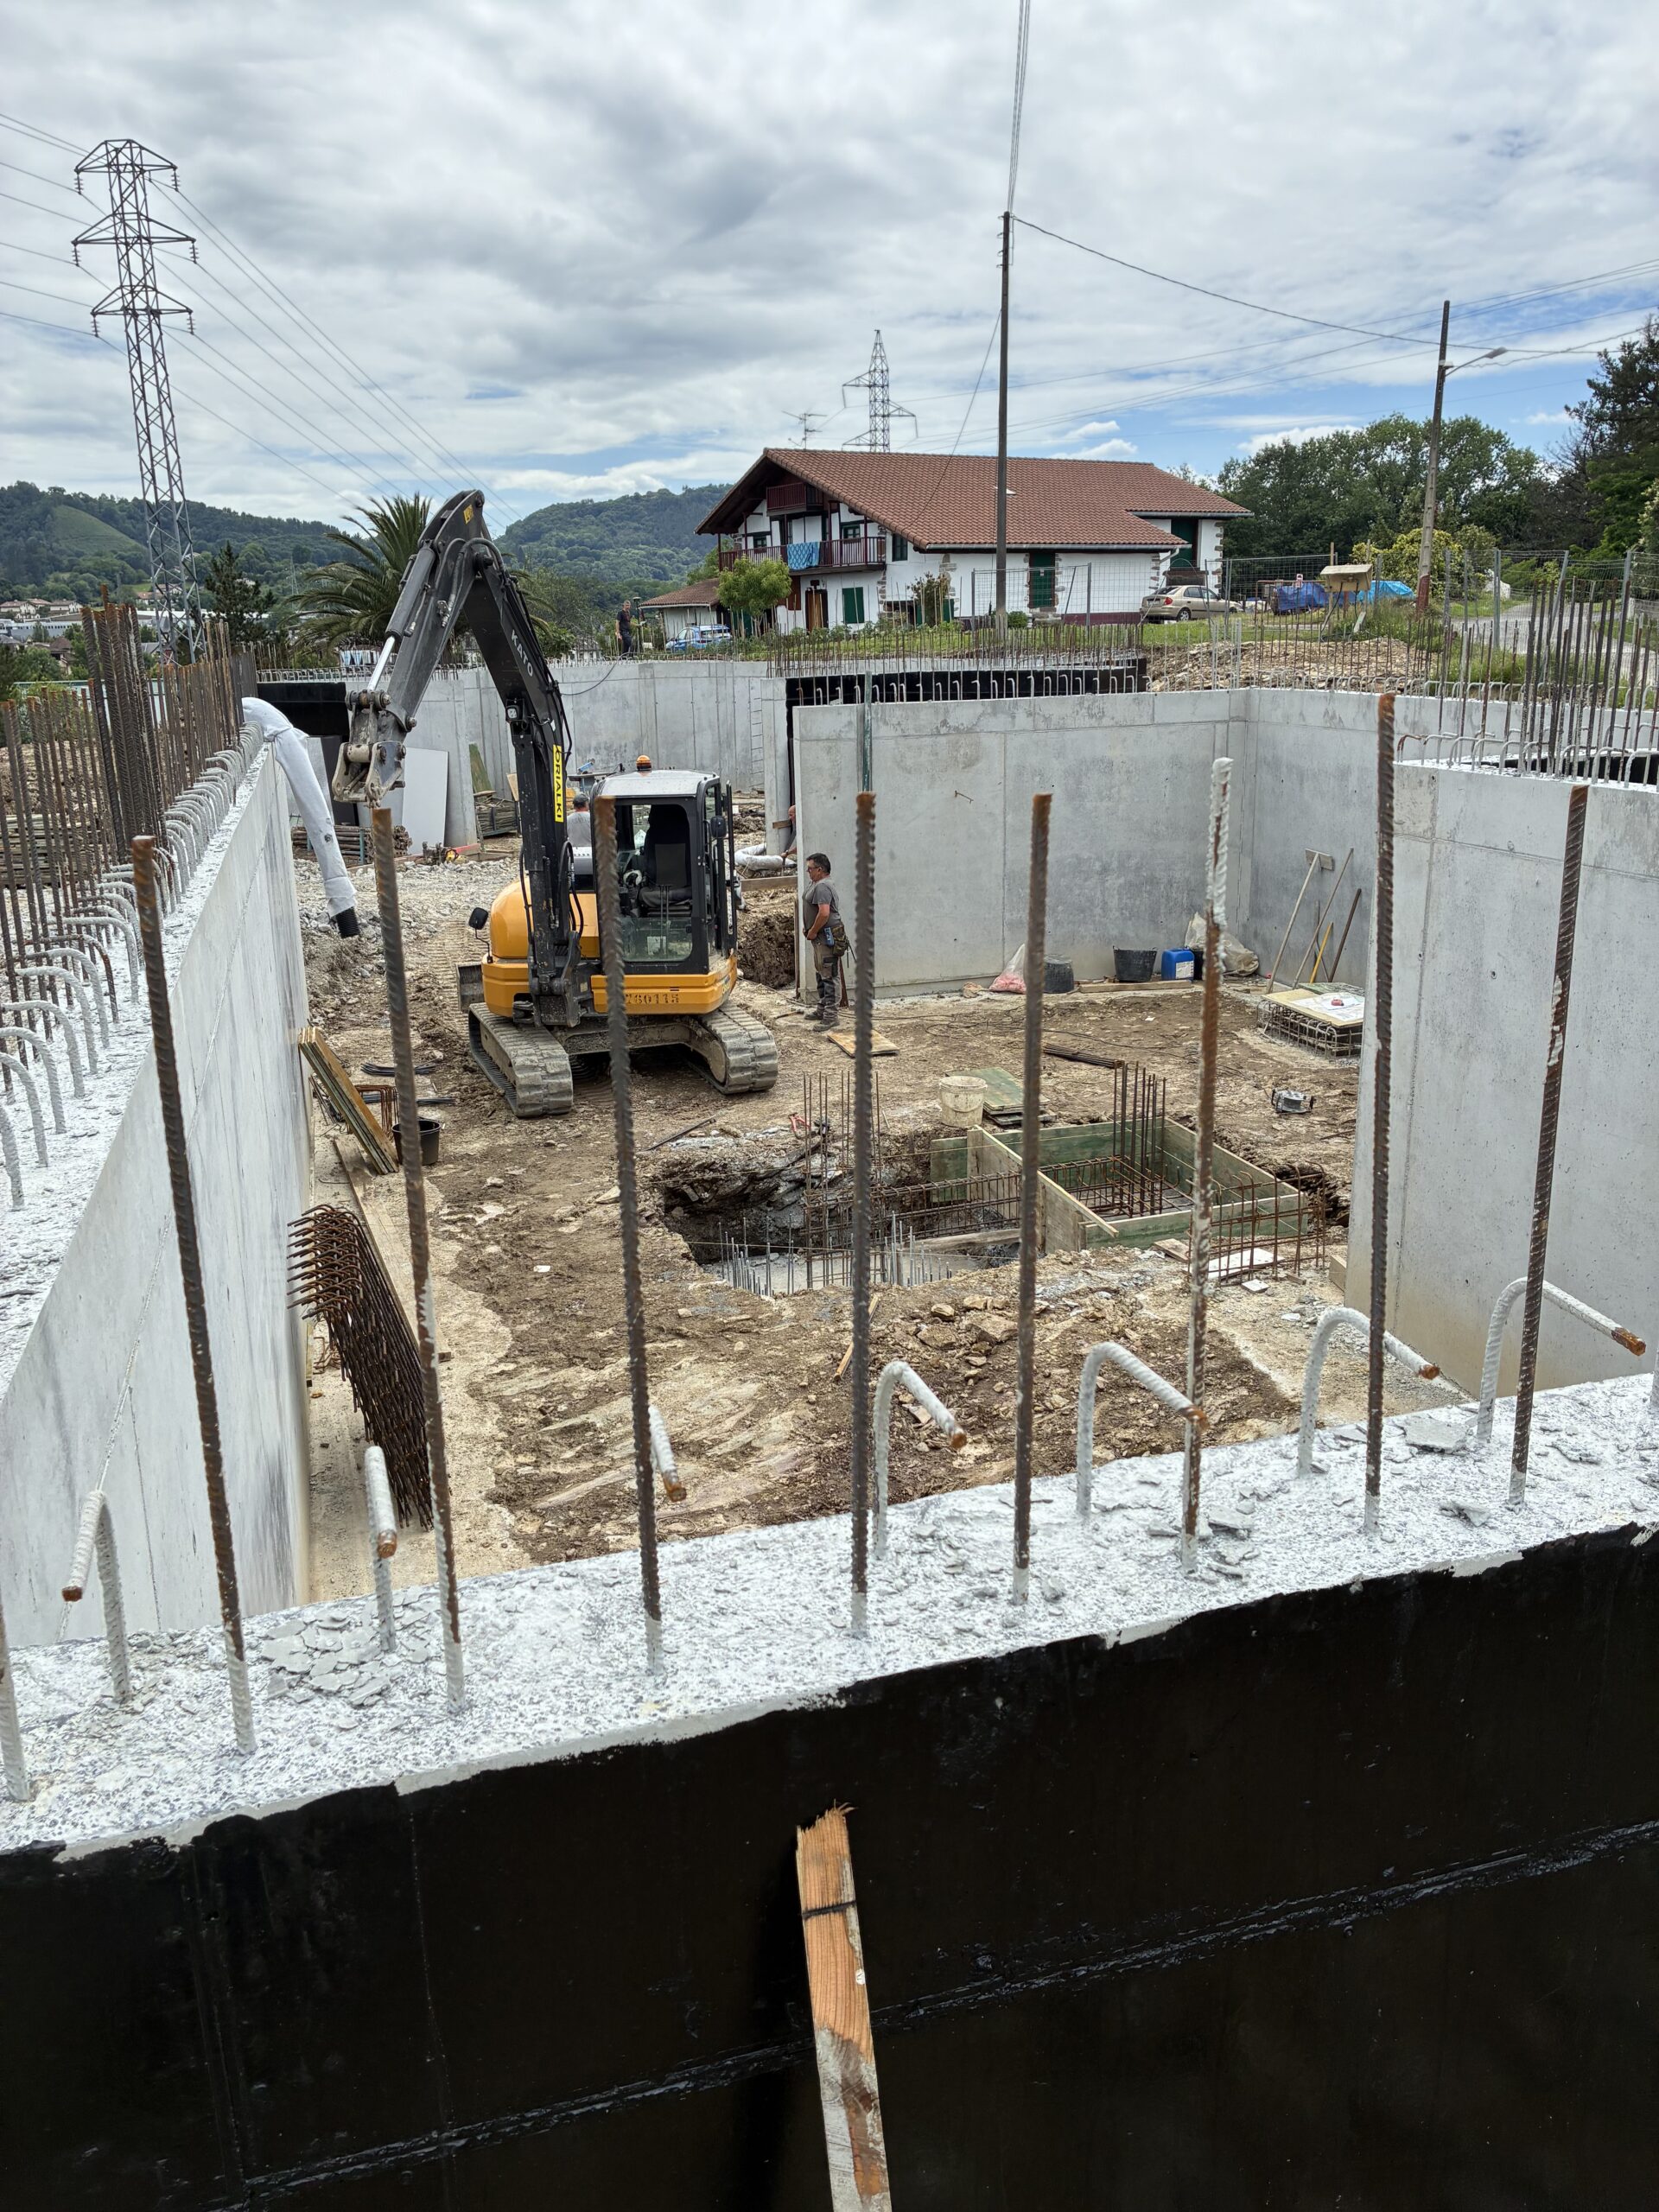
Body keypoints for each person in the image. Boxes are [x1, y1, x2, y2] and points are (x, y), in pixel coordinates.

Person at [240, 696, 360, 936]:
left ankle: (344, 906)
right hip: (277, 729)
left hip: (280, 733)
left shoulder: (254, 715)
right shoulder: (253, 710)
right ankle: (345, 911)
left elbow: (316, 815)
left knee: (320, 821)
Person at [802, 850, 846, 1027]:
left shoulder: (822, 887)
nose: (809, 872)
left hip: (825, 937)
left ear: (820, 870)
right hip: (819, 937)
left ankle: (831, 1016)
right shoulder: (816, 884)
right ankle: (823, 1008)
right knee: (822, 973)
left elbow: (824, 913)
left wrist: (812, 931)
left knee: (829, 975)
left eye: (810, 869)